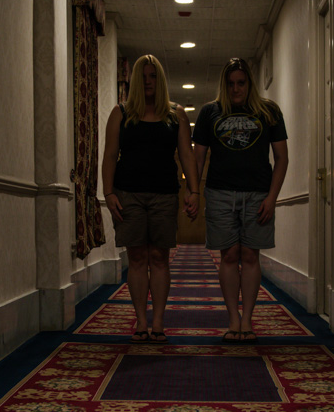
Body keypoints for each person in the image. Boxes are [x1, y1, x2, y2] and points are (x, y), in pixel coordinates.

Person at [102, 54, 199, 343]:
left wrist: (194, 190)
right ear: (134, 80)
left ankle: (157, 321)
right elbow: (110, 155)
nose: (148, 81)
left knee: (159, 257)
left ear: (160, 80)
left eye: (153, 76)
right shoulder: (120, 113)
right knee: (136, 257)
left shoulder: (175, 114)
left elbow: (186, 154)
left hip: (164, 195)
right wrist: (108, 193)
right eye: (143, 76)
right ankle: (140, 321)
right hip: (127, 194)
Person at [193, 57, 288, 342]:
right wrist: (193, 191)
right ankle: (233, 318)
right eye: (231, 83)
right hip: (220, 193)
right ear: (224, 84)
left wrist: (272, 198)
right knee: (229, 255)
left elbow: (281, 159)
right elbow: (198, 158)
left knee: (250, 255)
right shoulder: (210, 112)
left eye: (241, 83)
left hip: (258, 194)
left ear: (249, 83)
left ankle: (247, 320)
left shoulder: (269, 111)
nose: (236, 89)